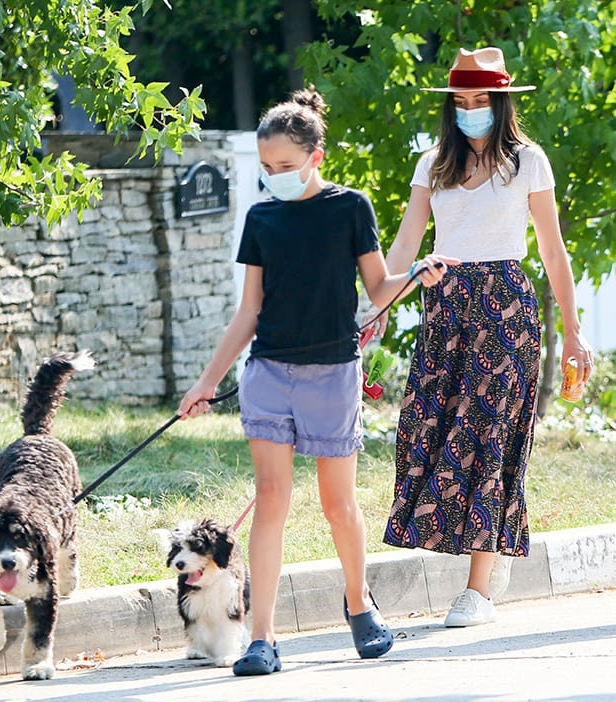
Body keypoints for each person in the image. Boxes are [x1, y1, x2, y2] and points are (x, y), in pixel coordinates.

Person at [178, 89, 456, 675]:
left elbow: (379, 289)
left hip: (334, 374)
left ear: (315, 157)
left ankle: (360, 606)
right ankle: (262, 636)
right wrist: (207, 382)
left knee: (338, 505)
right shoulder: (262, 218)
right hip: (270, 374)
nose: (275, 176)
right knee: (271, 502)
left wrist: (419, 274)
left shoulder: (350, 209)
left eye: (285, 165)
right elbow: (248, 310)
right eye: (267, 167)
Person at [364, 47, 594, 628]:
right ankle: (488, 557)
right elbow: (404, 243)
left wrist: (574, 331)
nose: (471, 111)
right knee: (427, 426)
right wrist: (380, 302)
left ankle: (479, 588)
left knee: (489, 438)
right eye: (461, 102)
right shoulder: (433, 164)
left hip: (506, 312)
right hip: (445, 308)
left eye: (481, 100)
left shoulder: (529, 161)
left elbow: (553, 250)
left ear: (500, 102)